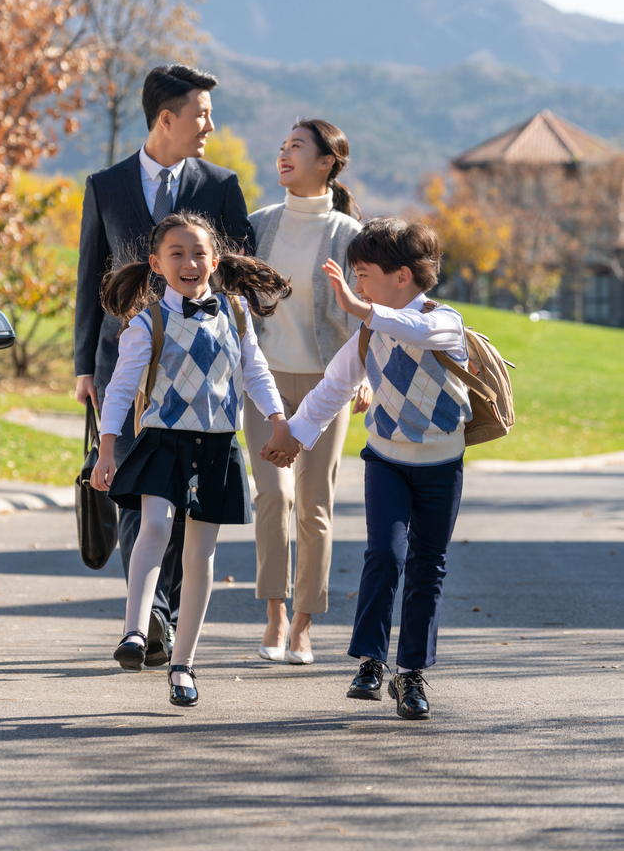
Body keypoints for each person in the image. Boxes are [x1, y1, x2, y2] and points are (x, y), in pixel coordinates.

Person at [74, 64, 254, 667]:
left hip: (198, 377)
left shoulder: (221, 185)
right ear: (166, 118)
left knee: (184, 499)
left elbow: (237, 280)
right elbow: (89, 279)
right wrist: (83, 367)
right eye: (200, 113)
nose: (210, 125)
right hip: (122, 364)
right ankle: (150, 614)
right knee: (137, 492)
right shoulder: (105, 184)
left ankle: (167, 614)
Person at [262, 217, 470, 719]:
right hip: (386, 462)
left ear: (403, 276)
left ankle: (412, 674)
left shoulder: (444, 321)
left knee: (428, 566)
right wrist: (293, 434)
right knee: (385, 555)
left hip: (442, 466)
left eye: (364, 273)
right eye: (354, 276)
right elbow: (332, 389)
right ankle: (371, 662)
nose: (356, 285)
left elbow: (414, 328)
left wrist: (364, 311)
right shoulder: (365, 334)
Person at [90, 211, 298, 707]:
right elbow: (119, 389)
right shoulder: (146, 322)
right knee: (155, 526)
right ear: (156, 264)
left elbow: (256, 372)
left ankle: (183, 665)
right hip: (163, 440)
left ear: (215, 260)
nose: (189, 262)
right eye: (177, 254)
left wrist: (278, 418)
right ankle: (135, 632)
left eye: (198, 253)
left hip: (217, 446)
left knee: (199, 554)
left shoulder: (237, 312)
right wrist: (107, 448)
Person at [244, 119, 371, 665]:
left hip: (327, 384)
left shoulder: (348, 235)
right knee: (274, 494)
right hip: (264, 383)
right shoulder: (255, 226)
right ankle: (273, 612)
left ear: (327, 162)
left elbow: (367, 308)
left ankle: (303, 624)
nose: (283, 153)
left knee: (314, 503)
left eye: (296, 146)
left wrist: (362, 376)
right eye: (282, 146)